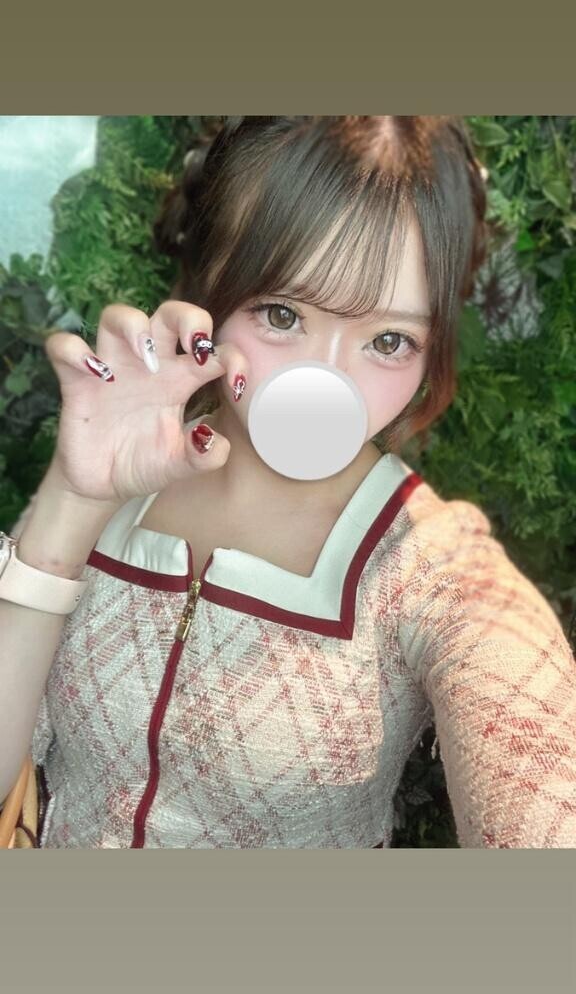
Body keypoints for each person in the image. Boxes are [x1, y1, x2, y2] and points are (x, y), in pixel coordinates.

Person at [1, 115, 575, 849]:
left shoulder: (434, 569)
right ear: (208, 286)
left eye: (389, 340)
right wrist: (73, 500)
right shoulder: (119, 476)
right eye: (281, 314)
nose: (327, 380)